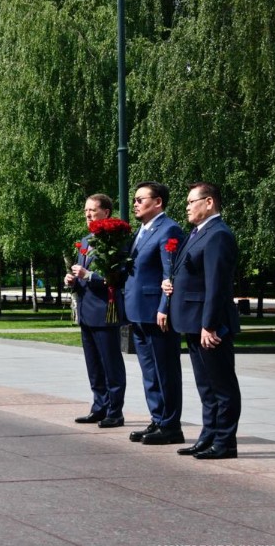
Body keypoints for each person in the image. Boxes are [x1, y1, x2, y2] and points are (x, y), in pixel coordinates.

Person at [164, 182, 241, 459]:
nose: (186, 206)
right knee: (206, 386)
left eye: (191, 201)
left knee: (222, 386)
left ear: (208, 202)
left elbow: (216, 284)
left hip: (210, 325)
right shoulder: (197, 233)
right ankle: (208, 436)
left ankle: (225, 443)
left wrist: (209, 324)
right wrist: (171, 284)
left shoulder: (218, 234)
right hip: (194, 322)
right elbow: (190, 273)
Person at [123, 182, 185, 445]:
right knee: (149, 371)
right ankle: (158, 418)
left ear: (157, 202)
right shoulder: (142, 230)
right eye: (134, 200)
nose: (135, 203)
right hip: (137, 311)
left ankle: (171, 426)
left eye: (140, 199)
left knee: (165, 370)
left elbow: (169, 273)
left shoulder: (168, 229)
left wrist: (164, 307)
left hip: (156, 313)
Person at [65, 194, 127, 428]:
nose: (88, 214)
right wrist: (72, 280)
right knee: (93, 365)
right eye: (85, 211)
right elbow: (83, 276)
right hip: (86, 310)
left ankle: (115, 411)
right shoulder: (86, 240)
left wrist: (88, 275)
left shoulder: (115, 240)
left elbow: (118, 276)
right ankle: (99, 407)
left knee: (111, 364)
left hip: (105, 311)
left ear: (106, 213)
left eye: (93, 210)